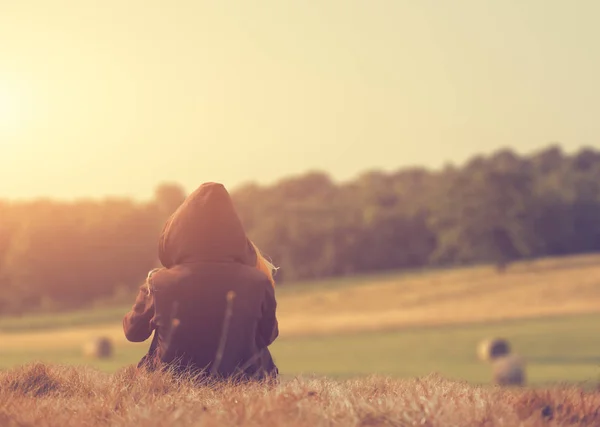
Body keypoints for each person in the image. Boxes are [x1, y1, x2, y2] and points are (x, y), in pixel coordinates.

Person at [122, 182, 279, 382]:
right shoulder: (258, 281)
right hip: (245, 381)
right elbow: (268, 336)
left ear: (177, 234)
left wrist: (146, 295)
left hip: (172, 384)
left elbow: (134, 333)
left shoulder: (159, 282)